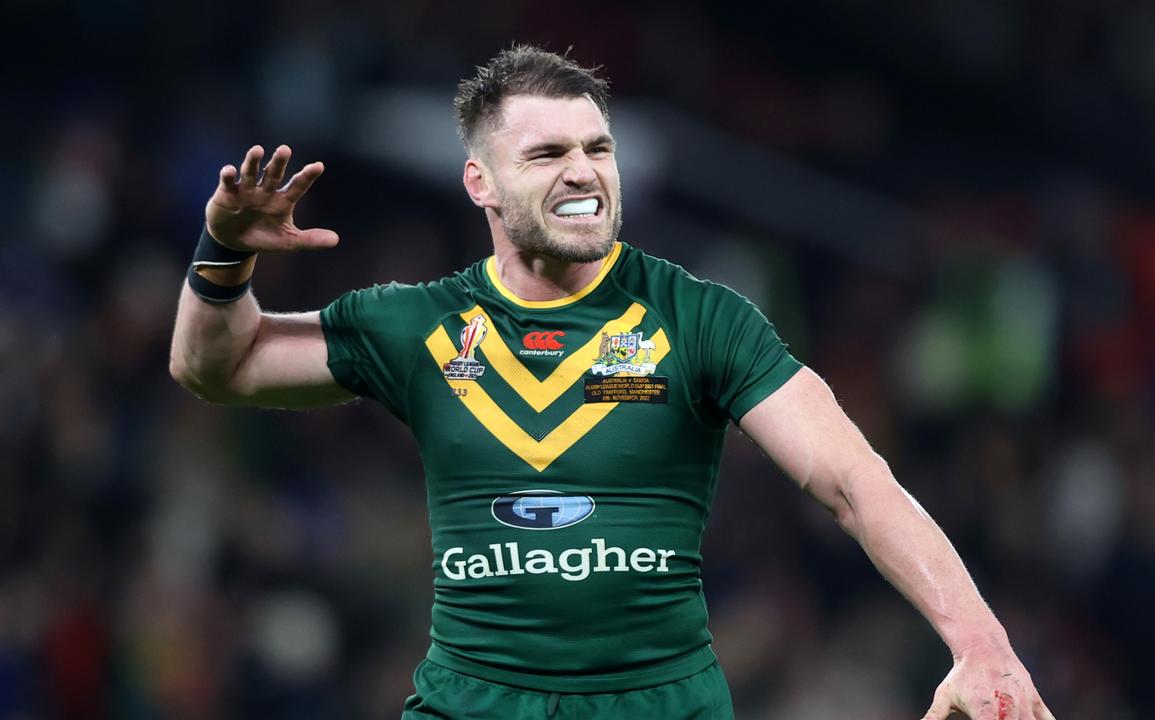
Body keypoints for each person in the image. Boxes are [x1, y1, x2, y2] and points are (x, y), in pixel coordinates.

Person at [169, 45, 1055, 720]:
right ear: (480, 182)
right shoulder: (419, 324)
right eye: (547, 153)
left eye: (598, 147)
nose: (584, 172)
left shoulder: (697, 318)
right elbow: (218, 365)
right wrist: (225, 252)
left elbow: (855, 481)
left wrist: (979, 643)